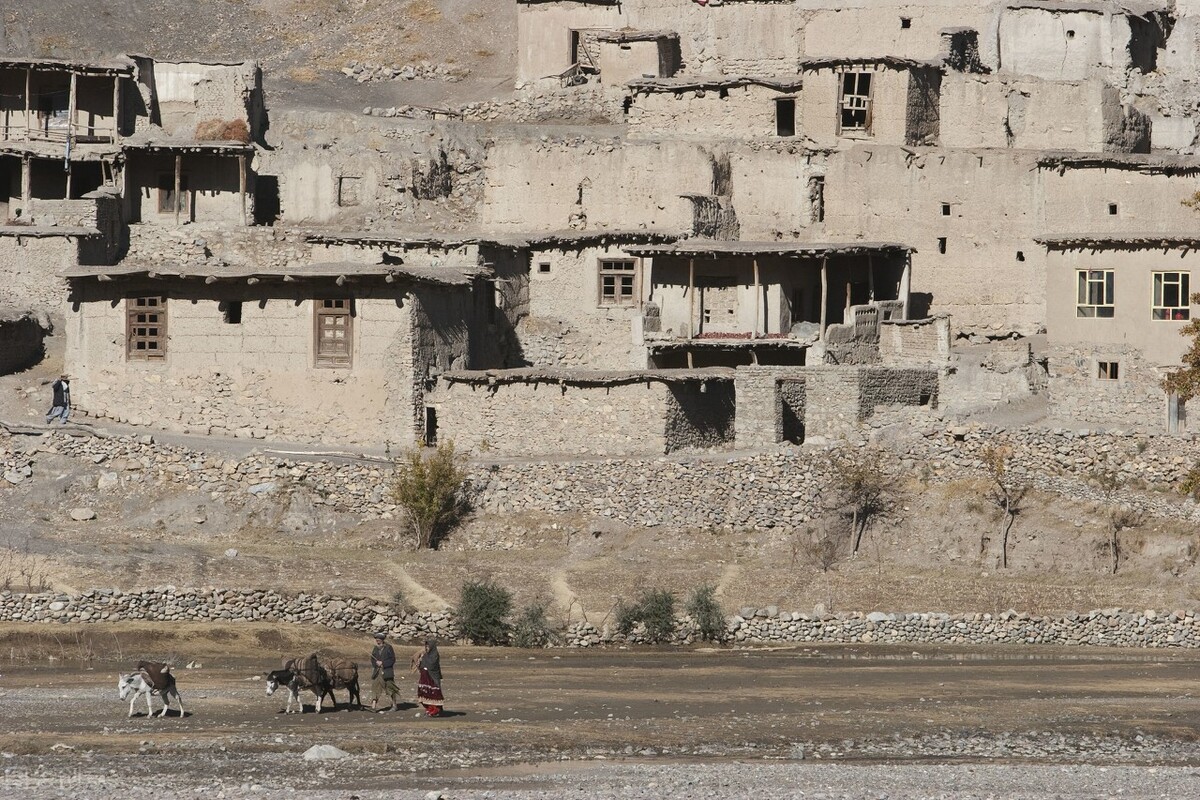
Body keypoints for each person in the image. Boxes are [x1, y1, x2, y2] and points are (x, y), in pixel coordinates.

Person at [369, 631, 402, 712]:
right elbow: (372, 659)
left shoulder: (388, 647)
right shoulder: (375, 648)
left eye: (379, 639)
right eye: (376, 639)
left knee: (390, 688)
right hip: (377, 672)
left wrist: (383, 663)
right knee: (375, 687)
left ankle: (394, 705)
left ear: (382, 639)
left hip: (387, 672)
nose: (377, 640)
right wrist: (376, 663)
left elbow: (392, 659)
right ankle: (373, 706)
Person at [411, 638, 444, 717]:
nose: (427, 648)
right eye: (426, 646)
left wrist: (423, 662)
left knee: (433, 694)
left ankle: (435, 710)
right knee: (424, 693)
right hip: (424, 678)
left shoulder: (435, 655)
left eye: (428, 646)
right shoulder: (425, 655)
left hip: (432, 678)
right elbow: (422, 664)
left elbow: (432, 665)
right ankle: (428, 709)